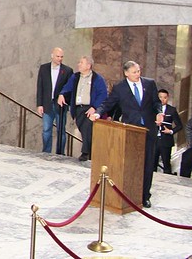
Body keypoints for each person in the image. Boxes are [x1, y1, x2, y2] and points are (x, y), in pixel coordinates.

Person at [92, 60, 163, 208]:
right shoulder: (119, 88)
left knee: (148, 163)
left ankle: (145, 196)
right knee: (131, 164)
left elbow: (156, 103)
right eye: (134, 72)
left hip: (149, 130)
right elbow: (107, 103)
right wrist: (98, 113)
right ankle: (130, 195)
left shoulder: (149, 84)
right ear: (126, 73)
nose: (138, 74)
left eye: (138, 71)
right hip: (130, 131)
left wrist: (159, 113)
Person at [57, 56, 108, 162]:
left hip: (90, 108)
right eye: (79, 62)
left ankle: (85, 153)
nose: (79, 64)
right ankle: (91, 152)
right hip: (78, 108)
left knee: (87, 127)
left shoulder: (97, 79)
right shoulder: (75, 77)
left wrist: (94, 107)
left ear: (88, 66)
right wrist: (61, 94)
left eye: (81, 62)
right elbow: (67, 87)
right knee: (84, 130)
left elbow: (103, 95)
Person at [36, 47, 73, 155]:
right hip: (47, 104)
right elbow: (40, 87)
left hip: (60, 105)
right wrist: (39, 104)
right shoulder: (44, 68)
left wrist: (66, 102)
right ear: (52, 55)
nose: (60, 59)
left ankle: (60, 153)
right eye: (58, 56)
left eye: (61, 57)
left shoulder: (67, 71)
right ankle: (46, 151)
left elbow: (70, 89)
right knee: (46, 130)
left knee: (61, 130)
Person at [154, 89, 182, 174]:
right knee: (152, 163)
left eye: (165, 97)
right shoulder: (152, 109)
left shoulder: (172, 110)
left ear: (168, 98)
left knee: (166, 163)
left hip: (166, 140)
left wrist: (170, 131)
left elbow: (179, 125)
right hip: (154, 140)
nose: (162, 99)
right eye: (160, 97)